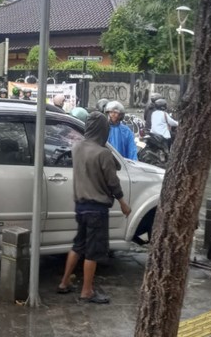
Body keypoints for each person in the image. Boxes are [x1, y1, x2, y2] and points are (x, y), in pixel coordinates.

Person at [57, 111, 131, 304]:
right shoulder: (103, 153)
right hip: (97, 209)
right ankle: (87, 291)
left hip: (80, 206)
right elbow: (113, 182)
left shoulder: (77, 147)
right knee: (93, 251)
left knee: (78, 245)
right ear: (103, 130)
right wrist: (123, 202)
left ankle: (64, 282)